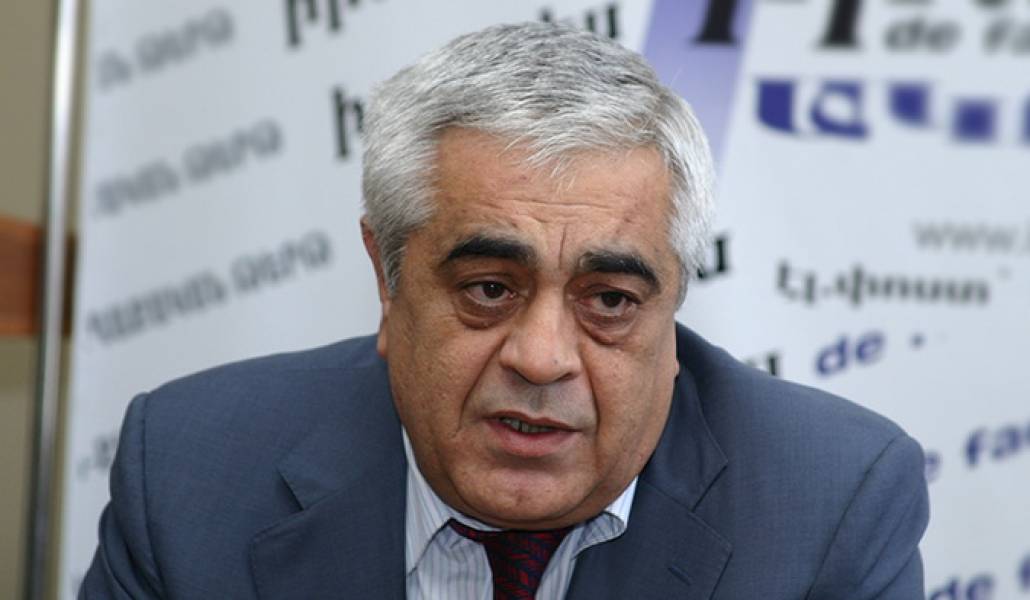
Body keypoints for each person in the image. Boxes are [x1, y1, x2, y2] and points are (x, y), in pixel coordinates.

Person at [81, 22, 929, 599]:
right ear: (388, 279)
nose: (542, 357)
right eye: (489, 288)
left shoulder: (831, 501)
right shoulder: (189, 475)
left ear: (673, 303)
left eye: (610, 300)